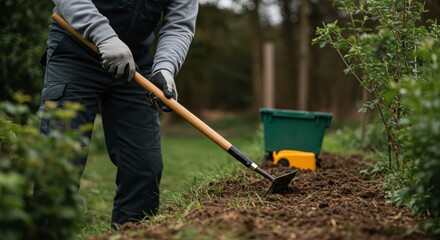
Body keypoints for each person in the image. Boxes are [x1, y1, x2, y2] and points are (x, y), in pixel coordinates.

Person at [38, 0, 198, 228]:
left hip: (135, 63)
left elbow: (179, 24)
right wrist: (103, 35)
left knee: (144, 167)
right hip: (76, 51)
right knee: (59, 162)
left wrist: (165, 67)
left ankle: (132, 232)